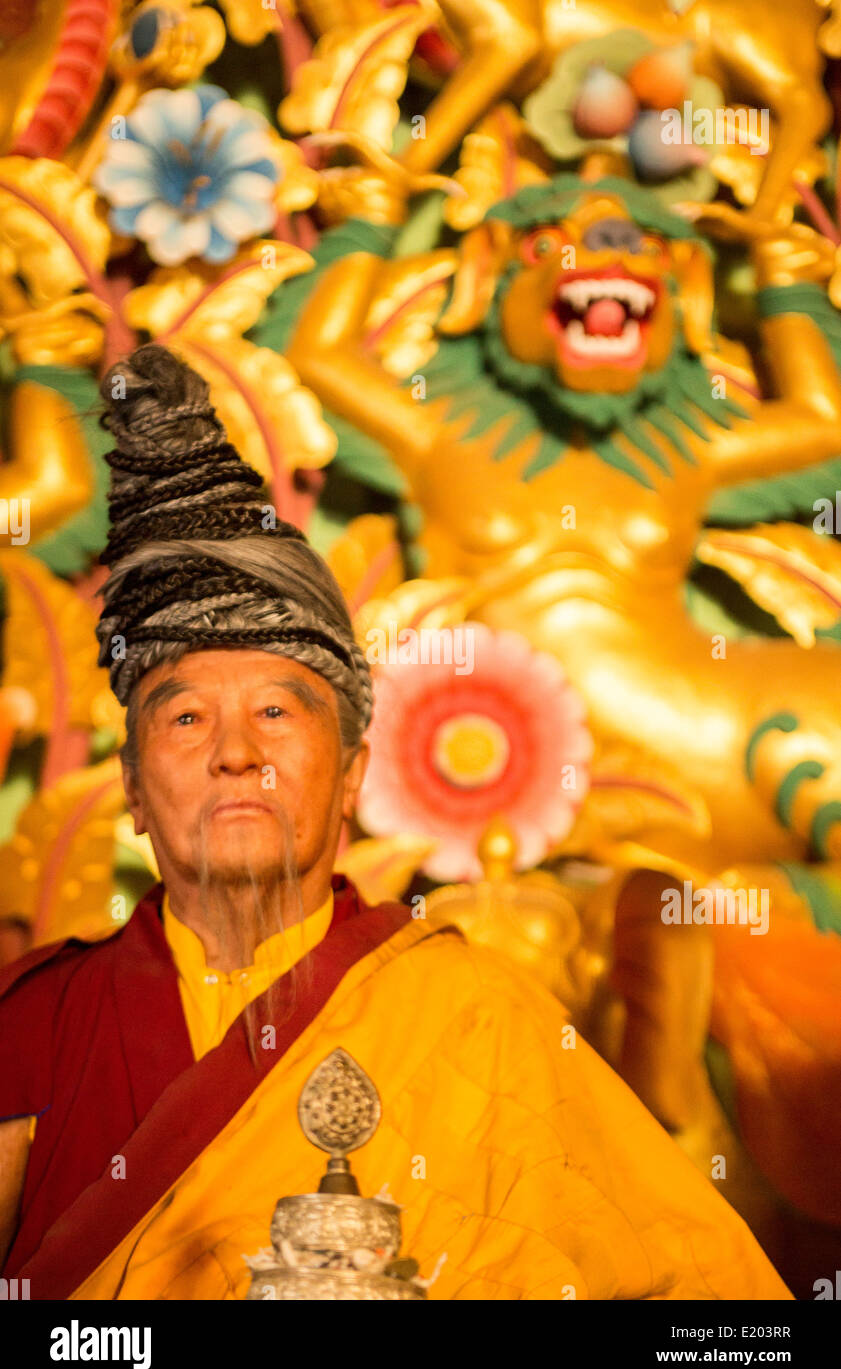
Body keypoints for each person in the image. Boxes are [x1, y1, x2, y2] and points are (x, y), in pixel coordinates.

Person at [0, 346, 791, 1300]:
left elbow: (713, 1305)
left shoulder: (476, 1015)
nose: (236, 750)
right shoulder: (35, 1025)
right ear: (130, 784)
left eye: (279, 712)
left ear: (352, 778)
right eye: (185, 716)